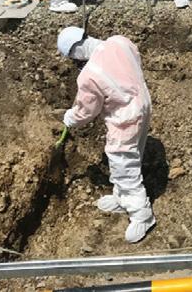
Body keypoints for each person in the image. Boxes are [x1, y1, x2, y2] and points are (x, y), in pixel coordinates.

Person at [57, 26, 155, 243]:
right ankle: (122, 198)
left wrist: (70, 118)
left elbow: (86, 111)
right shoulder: (119, 41)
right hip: (143, 102)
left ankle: (141, 214)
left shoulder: (89, 75)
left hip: (125, 117)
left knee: (122, 163)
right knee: (134, 153)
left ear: (74, 52)